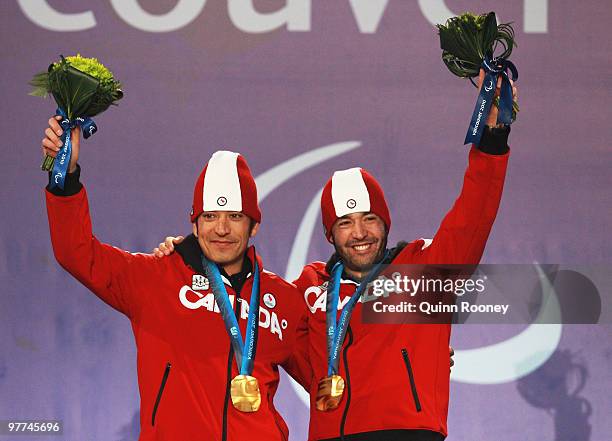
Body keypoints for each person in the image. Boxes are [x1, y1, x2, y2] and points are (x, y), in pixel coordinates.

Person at [153, 70, 516, 440]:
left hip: (406, 432)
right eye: (345, 223)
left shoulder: (424, 271)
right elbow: (241, 315)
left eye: (369, 219)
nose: (359, 233)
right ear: (330, 233)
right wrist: (187, 257)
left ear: (385, 224)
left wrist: (492, 140)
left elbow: (474, 213)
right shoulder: (306, 292)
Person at [42, 122, 311, 441]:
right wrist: (65, 180)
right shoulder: (154, 278)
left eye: (235, 217)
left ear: (254, 226)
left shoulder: (284, 300)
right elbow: (76, 252)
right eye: (210, 216)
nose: (221, 229)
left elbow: (334, 376)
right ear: (194, 224)